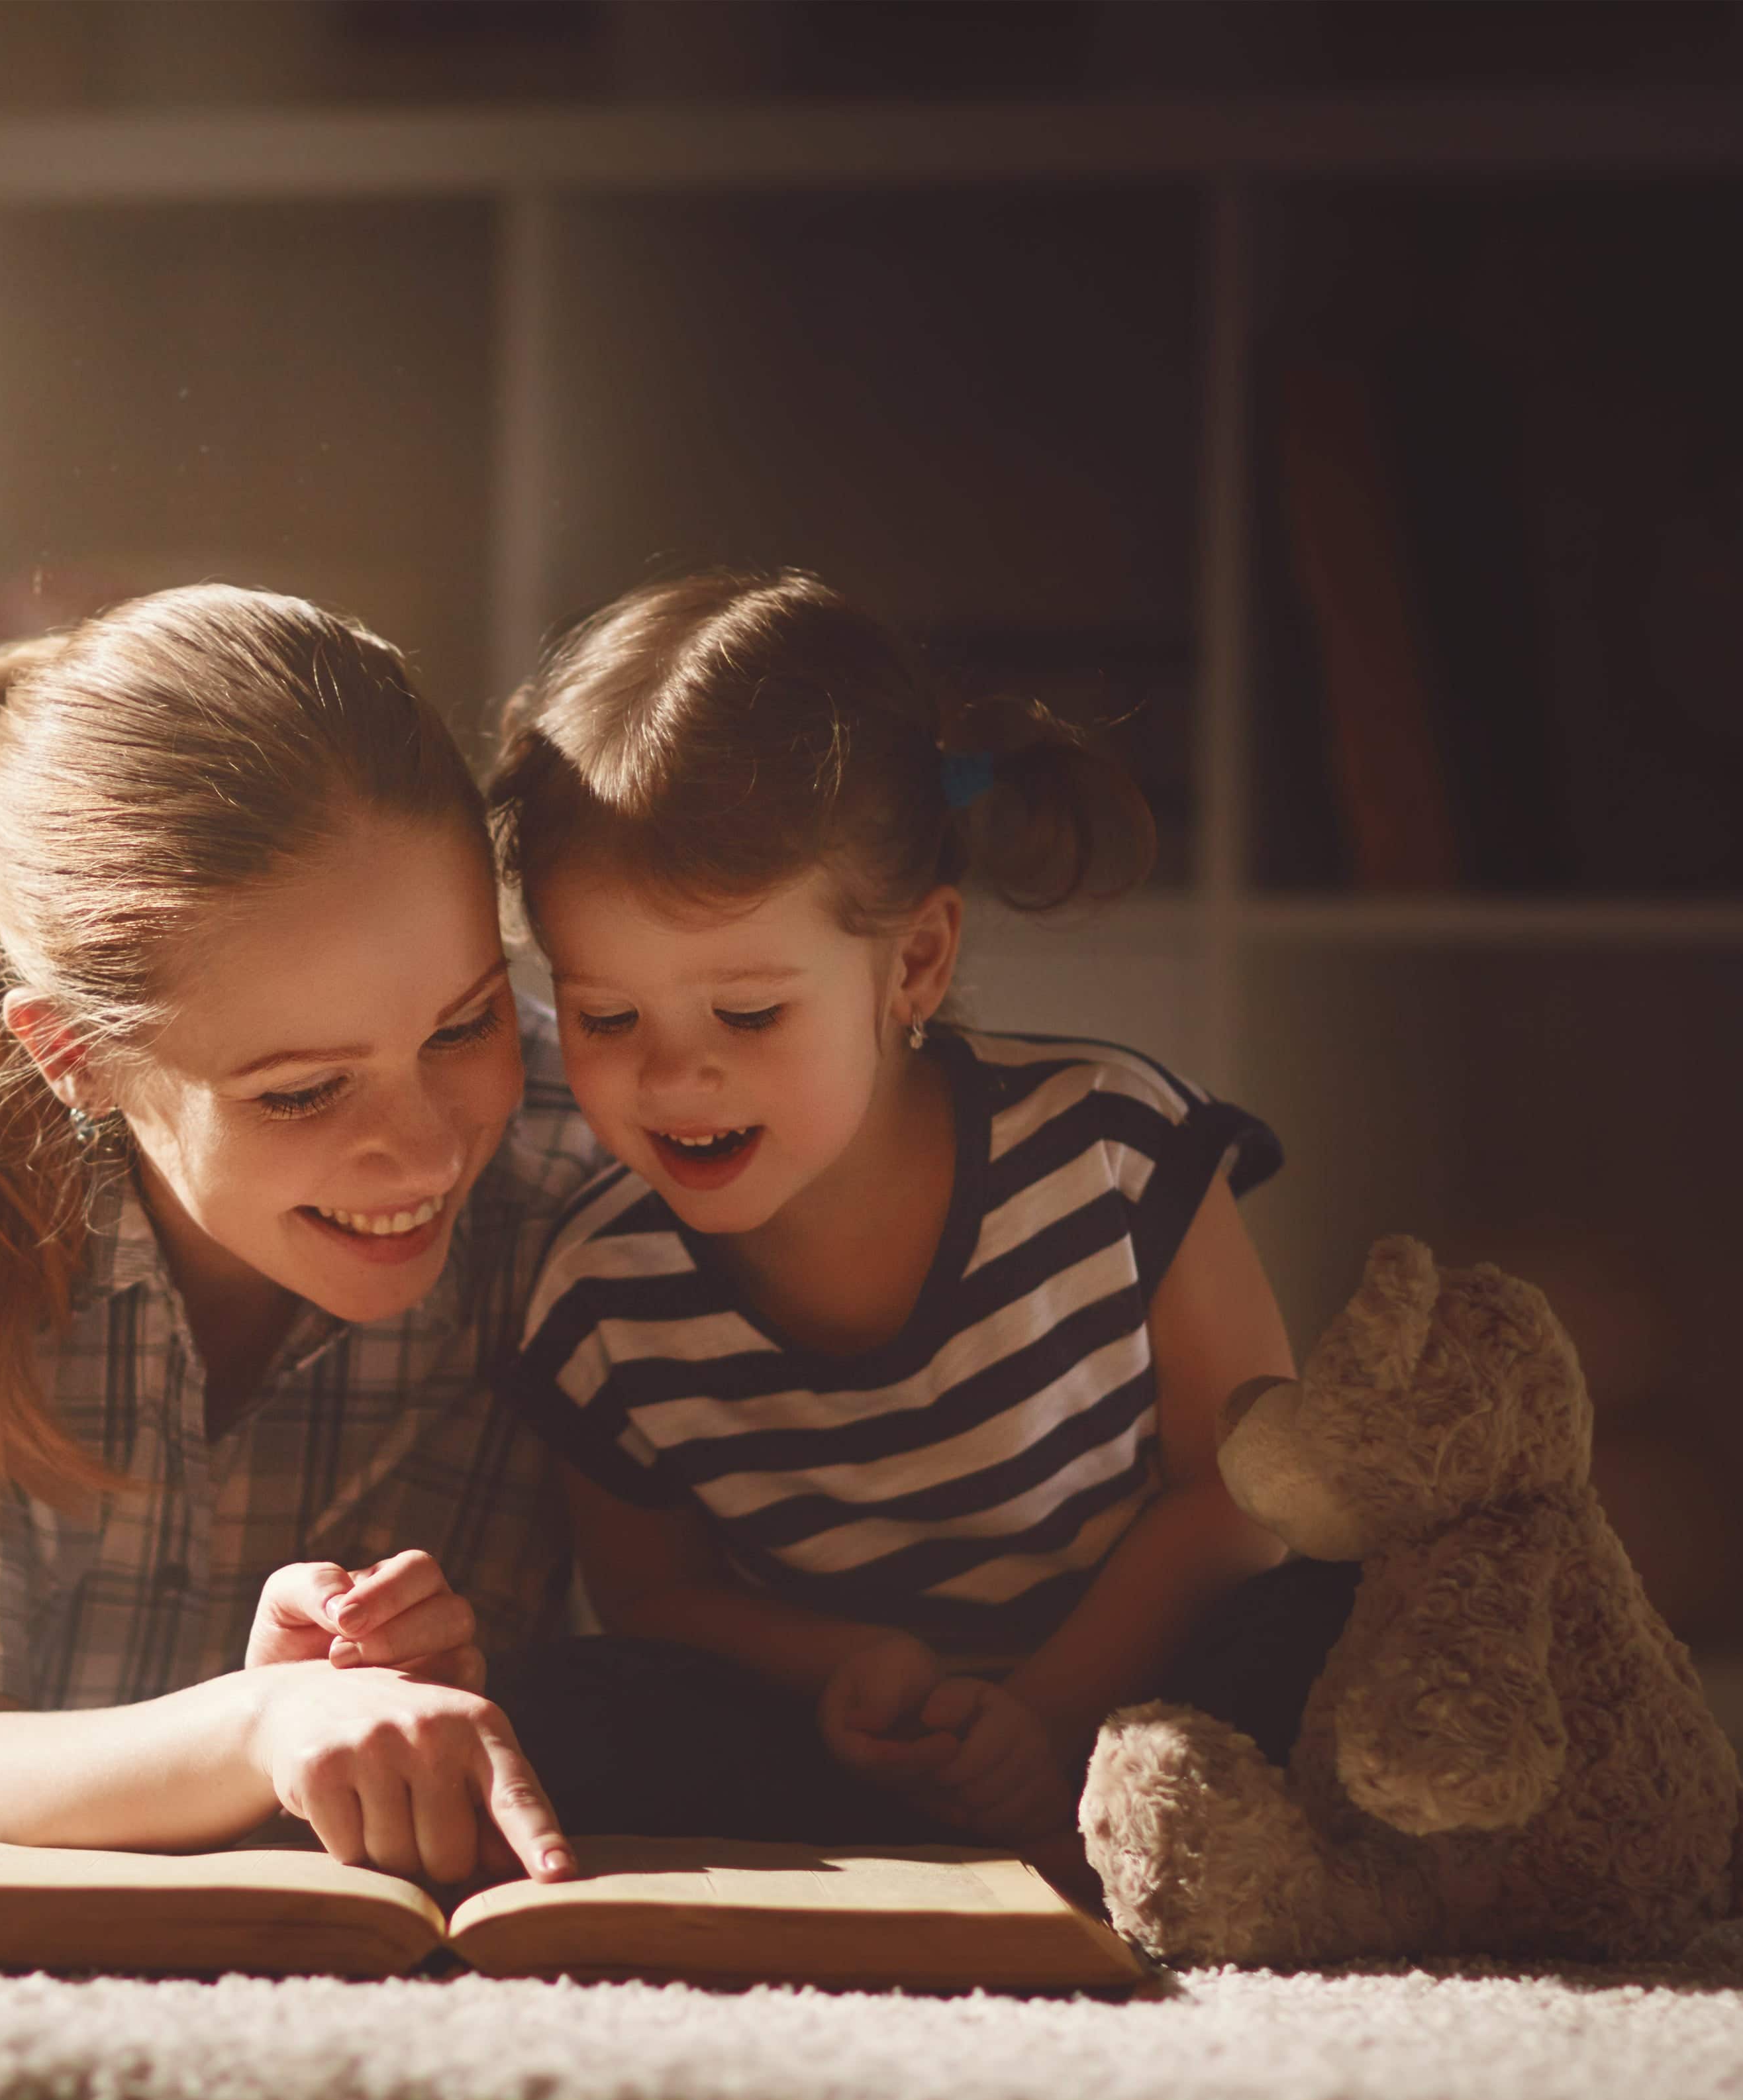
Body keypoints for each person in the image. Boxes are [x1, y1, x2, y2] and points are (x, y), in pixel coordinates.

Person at [0, 585, 596, 1889]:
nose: (431, 1147)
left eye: (465, 1024)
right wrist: (259, 1722)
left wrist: (377, 1675)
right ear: (74, 1056)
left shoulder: (566, 1152)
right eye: (301, 1089)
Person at [484, 570, 1330, 1866]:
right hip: (836, 1730)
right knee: (552, 1709)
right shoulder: (598, 1290)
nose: (671, 1076)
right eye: (607, 1018)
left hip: (1141, 1675)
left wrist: (1046, 1716)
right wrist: (848, 1668)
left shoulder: (1111, 1148)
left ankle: (1139, 1812)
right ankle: (929, 1816)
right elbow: (654, 1595)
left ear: (914, 963)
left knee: (1343, 1618)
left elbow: (1242, 1489)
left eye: (748, 1014)